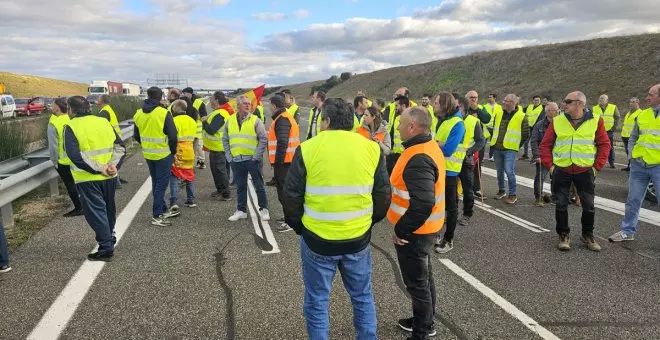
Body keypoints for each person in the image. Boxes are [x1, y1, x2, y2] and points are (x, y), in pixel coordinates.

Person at [283, 98, 390, 340]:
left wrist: (301, 228)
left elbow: (291, 196)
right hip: (357, 239)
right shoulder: (371, 148)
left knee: (318, 299)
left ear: (327, 121)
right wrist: (367, 223)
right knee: (362, 297)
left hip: (317, 240)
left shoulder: (308, 148)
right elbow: (383, 195)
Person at [388, 106, 445, 340]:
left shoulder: (419, 156)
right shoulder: (425, 147)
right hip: (424, 228)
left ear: (412, 127)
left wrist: (402, 229)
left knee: (417, 283)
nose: (398, 127)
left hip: (415, 231)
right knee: (424, 277)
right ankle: (425, 321)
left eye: (401, 123)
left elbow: (422, 202)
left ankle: (421, 331)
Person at [540, 91, 611, 252]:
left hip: (585, 170)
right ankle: (563, 235)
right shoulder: (557, 121)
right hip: (561, 169)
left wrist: (596, 167)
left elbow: (604, 144)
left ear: (579, 103)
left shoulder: (595, 121)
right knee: (561, 205)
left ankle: (587, 235)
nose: (563, 104)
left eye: (568, 101)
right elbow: (545, 145)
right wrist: (550, 166)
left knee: (589, 206)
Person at [64, 96, 126, 261]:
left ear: (71, 110)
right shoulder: (103, 122)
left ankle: (106, 248)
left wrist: (100, 169)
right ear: (89, 108)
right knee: (108, 209)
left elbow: (74, 156)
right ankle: (109, 236)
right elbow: (120, 146)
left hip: (87, 178)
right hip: (109, 176)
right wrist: (113, 166)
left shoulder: (70, 126)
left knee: (96, 213)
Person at [609, 84, 660, 242]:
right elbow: (633, 137)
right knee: (633, 200)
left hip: (658, 166)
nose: (647, 97)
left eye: (651, 94)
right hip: (639, 165)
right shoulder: (643, 115)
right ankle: (627, 231)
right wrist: (631, 155)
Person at [134, 87, 178, 226]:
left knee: (156, 182)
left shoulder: (139, 113)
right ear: (160, 97)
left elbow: (136, 135)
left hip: (148, 154)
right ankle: (157, 215)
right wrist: (173, 151)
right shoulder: (163, 113)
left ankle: (163, 209)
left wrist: (146, 145)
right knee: (161, 185)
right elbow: (172, 135)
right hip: (163, 154)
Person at [222, 95, 269, 222]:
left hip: (252, 160)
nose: (248, 105)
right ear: (238, 106)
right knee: (241, 186)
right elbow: (225, 139)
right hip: (236, 160)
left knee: (259, 185)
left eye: (249, 103)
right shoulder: (230, 120)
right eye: (245, 103)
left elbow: (263, 138)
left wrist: (256, 156)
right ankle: (241, 210)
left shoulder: (255, 120)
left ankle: (264, 209)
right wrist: (229, 157)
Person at [432, 92, 466, 254]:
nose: (434, 104)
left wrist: (437, 143)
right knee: (437, 205)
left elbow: (448, 149)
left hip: (451, 172)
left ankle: (448, 239)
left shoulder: (457, 123)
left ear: (445, 105)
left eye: (437, 102)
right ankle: (436, 232)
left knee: (451, 207)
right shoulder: (444, 121)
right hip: (438, 169)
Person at [268, 94, 300, 232]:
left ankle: (291, 222)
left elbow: (282, 142)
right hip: (287, 161)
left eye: (270, 105)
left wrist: (277, 162)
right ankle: (288, 217)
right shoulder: (284, 117)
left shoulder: (282, 119)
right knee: (285, 192)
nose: (269, 108)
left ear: (274, 106)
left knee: (285, 193)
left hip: (285, 162)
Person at [47, 97, 83, 217]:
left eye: (53, 104)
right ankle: (85, 204)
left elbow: (53, 146)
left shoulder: (54, 123)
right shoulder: (71, 119)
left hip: (63, 161)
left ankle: (79, 208)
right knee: (79, 183)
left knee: (70, 185)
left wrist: (54, 162)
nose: (51, 107)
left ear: (57, 107)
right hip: (76, 158)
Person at [490, 94, 528, 204]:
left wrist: (516, 145)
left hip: (510, 149)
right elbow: (495, 129)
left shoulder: (522, 116)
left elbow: (526, 134)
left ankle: (513, 194)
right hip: (497, 147)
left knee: (509, 171)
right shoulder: (498, 114)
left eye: (506, 101)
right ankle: (502, 190)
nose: (503, 102)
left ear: (512, 103)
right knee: (499, 171)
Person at [458, 95, 485, 226]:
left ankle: (467, 214)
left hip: (466, 161)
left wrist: (469, 151)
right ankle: (449, 212)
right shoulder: (449, 120)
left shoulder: (474, 122)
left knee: (467, 189)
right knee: (449, 189)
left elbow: (481, 141)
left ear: (463, 107)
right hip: (451, 161)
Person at [168, 99, 197, 212]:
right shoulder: (192, 121)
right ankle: (190, 200)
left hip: (178, 151)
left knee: (174, 175)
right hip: (189, 150)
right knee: (189, 175)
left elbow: (172, 137)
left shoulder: (174, 121)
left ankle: (174, 201)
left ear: (176, 108)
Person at [204, 91, 232, 200]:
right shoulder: (219, 112)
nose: (210, 100)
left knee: (221, 171)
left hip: (219, 148)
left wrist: (204, 122)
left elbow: (211, 130)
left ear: (216, 100)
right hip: (216, 147)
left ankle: (225, 193)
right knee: (218, 170)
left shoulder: (221, 113)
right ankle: (221, 190)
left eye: (211, 98)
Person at [530, 102, 559, 207]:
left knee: (556, 178)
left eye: (557, 109)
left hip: (558, 157)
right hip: (543, 157)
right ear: (547, 112)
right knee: (540, 177)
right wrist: (537, 156)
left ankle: (555, 197)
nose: (557, 112)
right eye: (554, 110)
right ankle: (538, 198)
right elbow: (534, 141)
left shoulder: (562, 124)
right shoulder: (539, 125)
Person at [464, 91, 492, 200]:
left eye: (475, 97)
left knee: (477, 165)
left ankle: (477, 188)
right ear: (466, 98)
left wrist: (478, 111)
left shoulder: (481, 108)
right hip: (465, 141)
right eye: (471, 97)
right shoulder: (463, 107)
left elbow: (487, 119)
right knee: (463, 166)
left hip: (478, 142)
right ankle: (463, 187)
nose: (473, 99)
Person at [182, 87, 208, 169]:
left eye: (185, 93)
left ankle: (201, 162)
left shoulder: (199, 103)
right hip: (186, 130)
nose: (184, 95)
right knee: (189, 148)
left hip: (197, 129)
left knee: (199, 146)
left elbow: (204, 116)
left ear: (190, 93)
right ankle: (190, 164)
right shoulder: (183, 102)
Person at [592, 94, 620, 168]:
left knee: (610, 147)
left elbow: (617, 117)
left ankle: (611, 162)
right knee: (598, 147)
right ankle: (597, 162)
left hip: (609, 131)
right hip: (597, 131)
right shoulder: (594, 108)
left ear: (607, 100)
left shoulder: (613, 107)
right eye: (600, 98)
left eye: (602, 98)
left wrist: (613, 128)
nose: (600, 100)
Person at [387, 96, 410, 174]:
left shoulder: (411, 119)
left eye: (396, 106)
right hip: (395, 154)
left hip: (405, 155)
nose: (395, 108)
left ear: (403, 106)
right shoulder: (397, 118)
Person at [620, 97, 643, 172]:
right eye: (630, 102)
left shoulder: (640, 113)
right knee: (628, 152)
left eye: (633, 102)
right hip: (625, 135)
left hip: (633, 137)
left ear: (637, 103)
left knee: (633, 153)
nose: (631, 104)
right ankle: (630, 166)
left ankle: (634, 167)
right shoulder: (628, 113)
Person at [521, 95, 544, 160]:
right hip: (528, 127)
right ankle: (525, 155)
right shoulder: (529, 106)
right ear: (533, 101)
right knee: (526, 141)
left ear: (540, 101)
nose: (537, 101)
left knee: (534, 142)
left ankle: (535, 157)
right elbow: (521, 111)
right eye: (535, 100)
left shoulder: (543, 108)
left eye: (538, 100)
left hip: (536, 127)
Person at [483, 93, 501, 161]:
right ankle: (481, 157)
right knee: (483, 143)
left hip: (495, 127)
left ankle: (491, 156)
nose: (489, 98)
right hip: (486, 127)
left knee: (493, 142)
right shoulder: (485, 106)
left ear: (494, 98)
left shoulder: (499, 107)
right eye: (488, 97)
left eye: (490, 97)